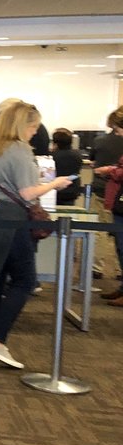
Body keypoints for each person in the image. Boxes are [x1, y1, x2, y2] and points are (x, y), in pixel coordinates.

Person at [0, 102, 74, 368]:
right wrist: (54, 184)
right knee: (25, 281)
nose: (35, 132)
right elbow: (27, 193)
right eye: (33, 126)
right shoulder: (19, 149)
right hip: (10, 219)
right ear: (22, 125)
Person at [93, 107, 123, 305]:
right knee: (120, 246)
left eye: (118, 129)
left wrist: (110, 171)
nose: (117, 134)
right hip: (117, 201)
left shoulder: (101, 141)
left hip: (118, 199)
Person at [51, 128, 82, 205]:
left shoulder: (52, 157)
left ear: (55, 143)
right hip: (72, 190)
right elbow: (76, 174)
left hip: (56, 190)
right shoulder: (77, 155)